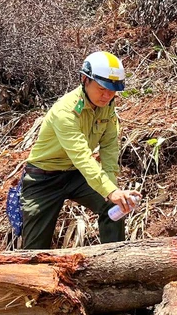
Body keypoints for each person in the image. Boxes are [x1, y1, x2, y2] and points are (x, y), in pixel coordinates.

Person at [20, 51, 141, 250]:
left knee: (113, 206)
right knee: (35, 249)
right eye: (102, 88)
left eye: (112, 91)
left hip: (76, 175)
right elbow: (82, 157)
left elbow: (109, 147)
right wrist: (110, 191)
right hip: (43, 178)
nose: (107, 95)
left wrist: (113, 189)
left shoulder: (107, 106)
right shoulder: (65, 111)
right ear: (85, 79)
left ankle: (115, 266)